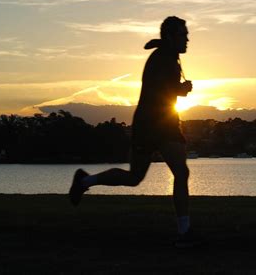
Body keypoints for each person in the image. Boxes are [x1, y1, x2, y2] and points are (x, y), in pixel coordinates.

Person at [69, 16, 199, 248]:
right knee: (170, 174)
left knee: (139, 177)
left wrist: (179, 90)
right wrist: (182, 89)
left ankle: (85, 180)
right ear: (170, 37)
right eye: (183, 34)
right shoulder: (162, 59)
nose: (187, 38)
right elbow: (162, 90)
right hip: (153, 125)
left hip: (158, 123)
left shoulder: (167, 56)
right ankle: (184, 233)